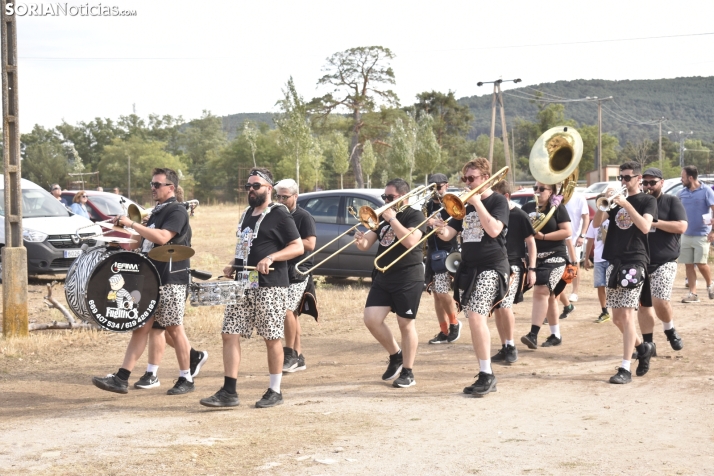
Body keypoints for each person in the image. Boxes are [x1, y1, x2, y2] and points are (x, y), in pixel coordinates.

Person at [200, 168, 303, 409]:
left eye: (256, 186)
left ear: (269, 188)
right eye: (248, 186)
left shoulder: (280, 214)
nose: (251, 190)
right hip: (244, 283)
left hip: (270, 286)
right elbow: (245, 246)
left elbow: (297, 246)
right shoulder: (247, 213)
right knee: (229, 333)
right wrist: (232, 265)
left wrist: (272, 258)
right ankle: (229, 390)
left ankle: (275, 390)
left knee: (271, 337)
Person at [92, 168, 197, 395]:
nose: (153, 188)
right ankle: (122, 378)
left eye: (157, 184)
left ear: (171, 187)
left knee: (174, 329)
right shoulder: (155, 213)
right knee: (141, 328)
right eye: (152, 184)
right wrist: (115, 233)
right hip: (150, 277)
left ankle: (186, 377)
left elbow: (162, 237)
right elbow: (136, 244)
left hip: (171, 277)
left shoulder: (177, 210)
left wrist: (131, 224)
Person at [434, 158, 510, 397]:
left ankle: (487, 374)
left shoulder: (497, 201)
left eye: (472, 179)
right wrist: (438, 228)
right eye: (465, 178)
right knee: (474, 317)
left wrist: (477, 203)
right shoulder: (462, 204)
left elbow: (495, 230)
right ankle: (485, 372)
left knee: (476, 316)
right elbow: (450, 234)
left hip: (493, 266)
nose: (467, 183)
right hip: (470, 267)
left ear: (485, 178)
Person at [354, 178, 425, 388]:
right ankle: (396, 355)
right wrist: (360, 240)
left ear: (405, 196)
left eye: (390, 197)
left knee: (405, 324)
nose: (386, 200)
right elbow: (367, 245)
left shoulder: (415, 214)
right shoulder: (383, 217)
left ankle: (408, 371)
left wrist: (393, 219)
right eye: (384, 197)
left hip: (408, 276)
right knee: (371, 319)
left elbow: (411, 241)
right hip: (384, 275)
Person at [593, 161, 657, 384]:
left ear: (639, 178)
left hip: (635, 261)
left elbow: (645, 227)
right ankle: (643, 348)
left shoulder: (647, 200)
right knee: (618, 318)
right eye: (621, 177)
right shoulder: (614, 201)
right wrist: (605, 201)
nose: (623, 181)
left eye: (628, 177)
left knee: (628, 315)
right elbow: (595, 223)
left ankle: (625, 368)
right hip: (615, 260)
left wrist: (626, 204)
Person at [636, 167, 687, 367]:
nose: (648, 186)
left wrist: (654, 223)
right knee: (644, 306)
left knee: (660, 300)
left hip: (665, 261)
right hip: (641, 261)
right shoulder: (639, 203)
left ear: (661, 182)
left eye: (652, 182)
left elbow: (682, 227)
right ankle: (649, 345)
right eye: (645, 183)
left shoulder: (671, 201)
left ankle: (669, 329)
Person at [520, 181, 572, 350]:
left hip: (555, 256)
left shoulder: (557, 208)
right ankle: (555, 334)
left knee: (542, 290)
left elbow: (567, 231)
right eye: (535, 188)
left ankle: (533, 334)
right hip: (534, 258)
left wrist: (543, 237)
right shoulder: (527, 207)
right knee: (549, 296)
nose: (537, 191)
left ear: (551, 192)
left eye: (542, 189)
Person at [490, 180, 536, 364]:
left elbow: (531, 243)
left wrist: (532, 269)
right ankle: (504, 346)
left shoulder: (519, 215)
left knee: (505, 306)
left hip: (513, 266)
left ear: (506, 196)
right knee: (498, 308)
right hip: (495, 265)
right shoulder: (494, 216)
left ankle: (511, 345)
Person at [274, 179, 317, 373]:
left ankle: (289, 354)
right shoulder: (275, 215)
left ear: (295, 196)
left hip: (299, 270)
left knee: (287, 311)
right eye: (279, 196)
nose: (281, 200)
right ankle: (299, 357)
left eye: (285, 196)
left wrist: (291, 240)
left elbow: (310, 244)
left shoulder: (303, 216)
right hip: (281, 269)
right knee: (292, 316)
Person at [423, 173, 461, 345]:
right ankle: (444, 330)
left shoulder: (450, 203)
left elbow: (454, 225)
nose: (435, 191)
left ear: (446, 185)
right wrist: (426, 222)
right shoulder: (428, 205)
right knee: (436, 295)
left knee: (442, 292)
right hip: (432, 252)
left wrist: (435, 223)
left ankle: (454, 323)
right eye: (431, 188)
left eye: (438, 187)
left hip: (447, 251)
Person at [678, 165, 714, 302]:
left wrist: (713, 231)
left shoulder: (707, 191)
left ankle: (710, 285)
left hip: (702, 235)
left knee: (701, 263)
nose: (682, 180)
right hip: (686, 234)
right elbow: (675, 208)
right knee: (688, 264)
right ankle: (693, 294)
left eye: (683, 177)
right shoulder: (681, 193)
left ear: (690, 178)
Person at [557, 190, 589, 317]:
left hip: (574, 238)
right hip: (559, 238)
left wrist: (582, 235)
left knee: (574, 265)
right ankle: (563, 295)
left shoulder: (579, 197)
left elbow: (586, 217)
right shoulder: (556, 196)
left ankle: (574, 291)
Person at [583, 196, 610, 323]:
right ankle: (604, 311)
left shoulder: (614, 218)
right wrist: (586, 257)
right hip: (599, 258)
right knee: (600, 285)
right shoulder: (594, 222)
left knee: (614, 286)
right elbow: (590, 240)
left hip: (612, 257)